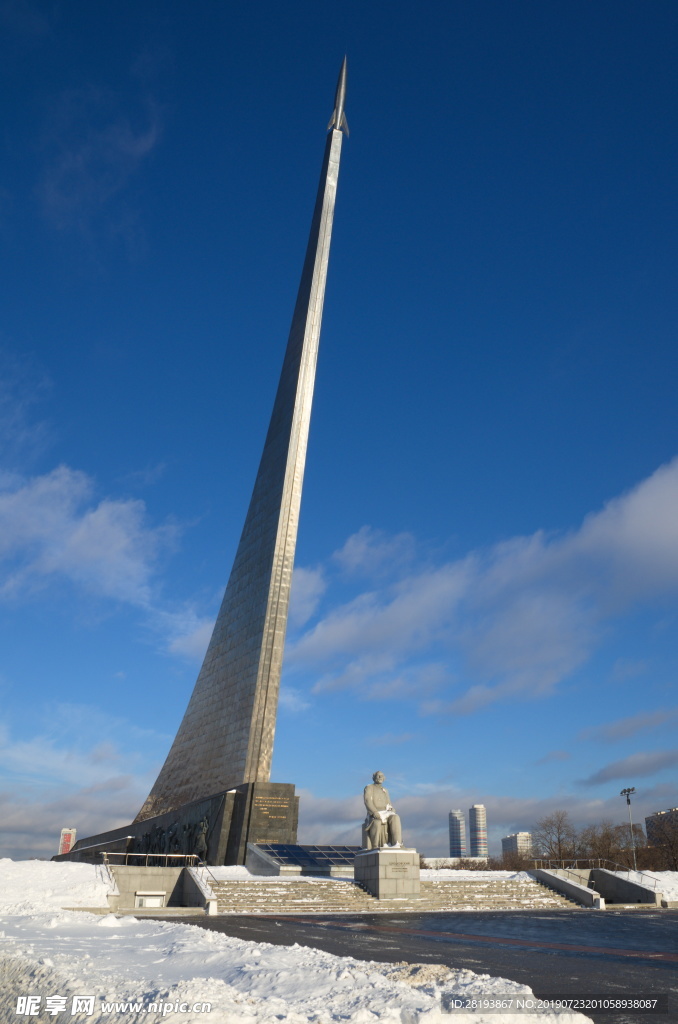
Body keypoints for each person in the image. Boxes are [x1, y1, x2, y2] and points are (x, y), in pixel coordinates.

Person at [363, 771, 403, 849]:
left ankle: (396, 843)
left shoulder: (385, 790)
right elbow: (367, 801)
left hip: (386, 812)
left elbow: (389, 803)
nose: (380, 777)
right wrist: (374, 812)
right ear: (374, 778)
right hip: (374, 813)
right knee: (377, 820)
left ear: (384, 778)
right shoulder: (369, 787)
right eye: (378, 776)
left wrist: (391, 809)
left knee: (396, 817)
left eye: (381, 776)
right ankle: (375, 846)